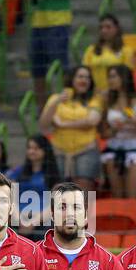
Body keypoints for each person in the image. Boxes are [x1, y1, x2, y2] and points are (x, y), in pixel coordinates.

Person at [39, 64, 103, 192]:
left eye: (87, 78)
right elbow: (44, 125)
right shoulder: (55, 99)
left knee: (83, 188)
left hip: (86, 150)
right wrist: (56, 102)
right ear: (71, 79)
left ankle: (85, 213)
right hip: (58, 151)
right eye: (80, 76)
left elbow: (92, 121)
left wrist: (63, 124)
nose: (84, 80)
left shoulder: (95, 100)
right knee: (58, 189)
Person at [101, 64, 136, 198]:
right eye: (109, 77)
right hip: (113, 150)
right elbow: (103, 133)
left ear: (124, 78)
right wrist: (114, 129)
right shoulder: (107, 101)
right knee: (117, 198)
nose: (110, 80)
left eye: (113, 77)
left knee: (132, 198)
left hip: (135, 149)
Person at [8, 134, 60, 240]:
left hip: (43, 220)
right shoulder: (18, 171)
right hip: (17, 217)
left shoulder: (53, 174)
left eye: (36, 148)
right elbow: (10, 196)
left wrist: (34, 221)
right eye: (29, 148)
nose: (31, 151)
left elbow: (55, 203)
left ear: (45, 150)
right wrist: (18, 218)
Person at [81, 12, 133, 78]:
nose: (104, 30)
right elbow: (85, 71)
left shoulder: (126, 51)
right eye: (101, 27)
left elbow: (128, 76)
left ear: (117, 29)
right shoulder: (91, 49)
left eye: (108, 27)